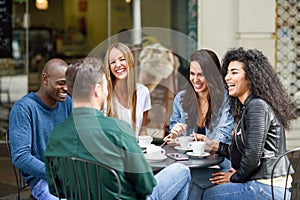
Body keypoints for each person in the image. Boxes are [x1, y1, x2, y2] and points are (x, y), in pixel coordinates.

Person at [44, 57, 191, 200]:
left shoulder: (55, 136)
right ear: (97, 90)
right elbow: (146, 186)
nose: (108, 92)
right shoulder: (118, 129)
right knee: (182, 170)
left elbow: (56, 190)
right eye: (106, 86)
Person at [200, 47, 297, 199]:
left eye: (234, 72)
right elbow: (244, 150)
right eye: (227, 72)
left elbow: (252, 156)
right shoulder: (249, 107)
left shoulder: (257, 107)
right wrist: (214, 146)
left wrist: (235, 177)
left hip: (267, 187)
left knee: (208, 195)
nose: (226, 77)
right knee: (201, 180)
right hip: (260, 182)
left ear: (250, 77)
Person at [165, 49, 234, 199]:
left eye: (200, 75)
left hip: (219, 165)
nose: (195, 79)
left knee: (189, 180)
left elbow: (223, 137)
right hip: (191, 164)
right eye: (192, 74)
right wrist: (175, 136)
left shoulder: (226, 99)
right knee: (182, 176)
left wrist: (192, 142)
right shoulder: (181, 99)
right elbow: (176, 137)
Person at [8, 58, 72, 200]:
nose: (66, 88)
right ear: (45, 79)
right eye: (61, 83)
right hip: (43, 180)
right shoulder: (24, 109)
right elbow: (20, 157)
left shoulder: (67, 103)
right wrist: (55, 174)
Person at [104, 42, 151, 137]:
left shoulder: (143, 92)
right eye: (112, 62)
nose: (118, 65)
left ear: (130, 61)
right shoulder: (103, 94)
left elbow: (142, 131)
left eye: (122, 59)